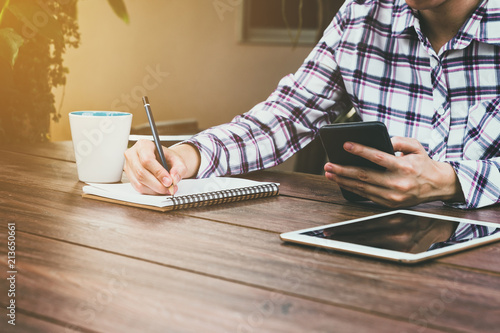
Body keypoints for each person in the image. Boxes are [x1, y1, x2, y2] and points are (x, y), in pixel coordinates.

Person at [124, 0, 499, 209]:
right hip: (384, 261)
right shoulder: (360, 17)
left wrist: (451, 181)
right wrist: (192, 154)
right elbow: (287, 114)